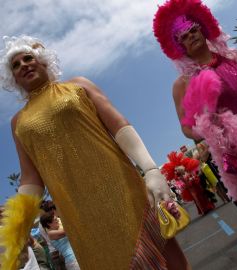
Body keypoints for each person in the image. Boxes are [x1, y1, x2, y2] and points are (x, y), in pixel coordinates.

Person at [0, 35, 191, 270]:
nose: (23, 66)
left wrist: (151, 169)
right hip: (79, 216)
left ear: (43, 61)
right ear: (13, 79)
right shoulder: (18, 122)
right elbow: (30, 178)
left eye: (28, 58)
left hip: (124, 192)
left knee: (167, 258)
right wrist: (18, 228)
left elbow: (119, 125)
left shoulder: (77, 86)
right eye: (15, 65)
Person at [153, 0, 237, 206]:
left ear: (203, 29)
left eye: (193, 30)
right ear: (180, 46)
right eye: (184, 37)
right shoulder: (183, 84)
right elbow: (187, 127)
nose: (191, 36)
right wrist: (209, 128)